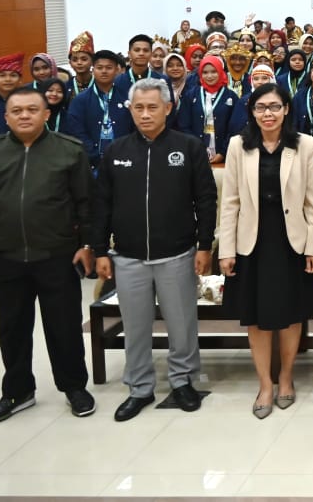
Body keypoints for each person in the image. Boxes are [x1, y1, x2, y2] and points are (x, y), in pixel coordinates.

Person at [0, 87, 97, 424]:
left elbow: (86, 204)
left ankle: (74, 387)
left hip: (57, 255)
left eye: (32, 110)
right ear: (6, 117)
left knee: (64, 327)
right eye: (17, 111)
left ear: (46, 114)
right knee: (12, 329)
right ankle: (18, 391)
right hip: (5, 257)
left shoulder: (69, 151)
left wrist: (88, 245)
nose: (24, 115)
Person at [90, 79, 218, 421]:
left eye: (152, 107)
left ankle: (183, 381)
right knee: (135, 327)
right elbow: (101, 204)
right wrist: (100, 249)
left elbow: (206, 200)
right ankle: (139, 387)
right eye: (138, 108)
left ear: (167, 108)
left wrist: (205, 245)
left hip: (177, 254)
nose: (145, 114)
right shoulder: (116, 151)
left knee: (181, 324)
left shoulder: (188, 147)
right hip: (128, 256)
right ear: (130, 110)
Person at [218, 83, 313, 418]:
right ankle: (265, 384)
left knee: (291, 314)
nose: (268, 114)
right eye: (261, 108)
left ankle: (286, 377)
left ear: (286, 110)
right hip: (251, 243)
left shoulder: (305, 145)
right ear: (252, 112)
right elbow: (230, 202)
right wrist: (226, 249)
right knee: (256, 317)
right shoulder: (238, 145)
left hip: (291, 241)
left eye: (275, 107)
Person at [66, 49, 134, 168]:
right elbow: (76, 131)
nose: (104, 71)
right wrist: (94, 154)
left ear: (116, 70)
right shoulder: (80, 100)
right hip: (92, 163)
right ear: (93, 70)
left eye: (109, 68)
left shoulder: (127, 97)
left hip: (125, 160)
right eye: (99, 67)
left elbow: (134, 127)